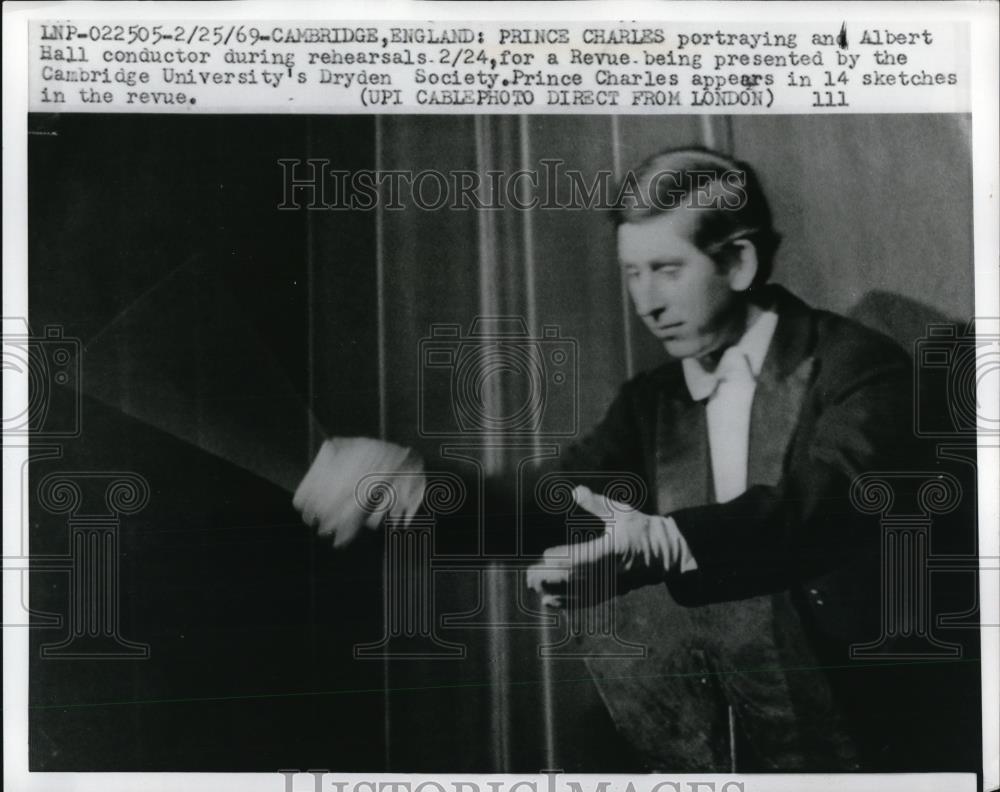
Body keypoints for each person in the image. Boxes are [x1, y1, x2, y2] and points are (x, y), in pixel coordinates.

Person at [293, 147, 976, 772]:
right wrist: (414, 486)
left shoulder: (861, 367)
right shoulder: (653, 402)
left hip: (882, 738)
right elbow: (553, 502)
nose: (647, 301)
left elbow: (822, 505)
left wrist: (665, 543)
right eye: (632, 273)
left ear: (738, 262)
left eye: (667, 270)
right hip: (746, 745)